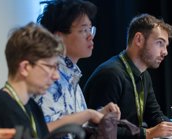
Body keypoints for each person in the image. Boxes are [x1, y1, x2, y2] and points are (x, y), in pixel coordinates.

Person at [0, 22, 106, 139]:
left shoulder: (31, 107)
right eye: (49, 67)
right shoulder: (0, 109)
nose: (56, 76)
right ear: (25, 67)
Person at [84, 14, 172, 139]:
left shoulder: (144, 75)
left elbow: (154, 115)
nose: (165, 52)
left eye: (166, 46)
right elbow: (101, 129)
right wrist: (146, 133)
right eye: (160, 43)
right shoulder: (110, 74)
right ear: (139, 39)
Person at [34, 0, 120, 132]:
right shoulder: (48, 79)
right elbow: (43, 131)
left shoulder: (71, 76)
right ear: (58, 37)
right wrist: (89, 114)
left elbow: (75, 127)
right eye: (83, 30)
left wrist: (99, 115)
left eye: (90, 29)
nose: (90, 36)